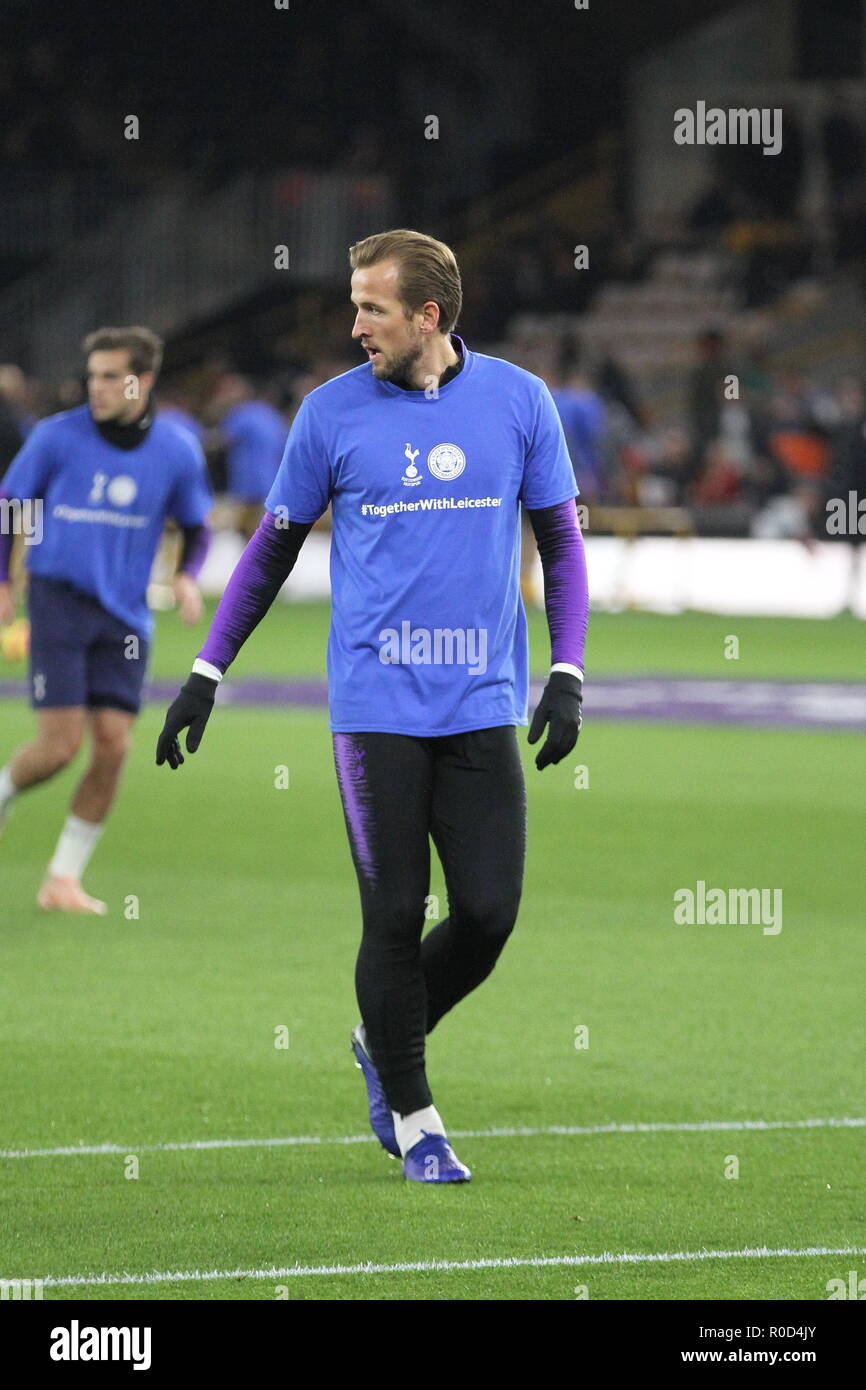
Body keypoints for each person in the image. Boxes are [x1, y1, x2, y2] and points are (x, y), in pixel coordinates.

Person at [156, 230, 588, 1183]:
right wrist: (207, 671)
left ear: (428, 316)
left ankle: (380, 1039)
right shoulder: (328, 415)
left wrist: (568, 672)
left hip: (480, 699)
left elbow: (560, 541)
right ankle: (417, 1113)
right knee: (394, 914)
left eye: (372, 310)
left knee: (487, 913)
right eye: (354, 307)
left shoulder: (521, 402)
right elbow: (270, 552)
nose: (354, 328)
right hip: (375, 704)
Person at [0, 326, 212, 913]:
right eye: (90, 375)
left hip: (125, 616)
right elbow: (12, 506)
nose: (94, 387)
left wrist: (188, 576)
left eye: (107, 376)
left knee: (115, 747)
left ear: (140, 381)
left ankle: (62, 880)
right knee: (60, 748)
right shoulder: (54, 437)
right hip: (58, 599)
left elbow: (197, 527)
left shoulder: (175, 449)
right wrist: (2, 583)